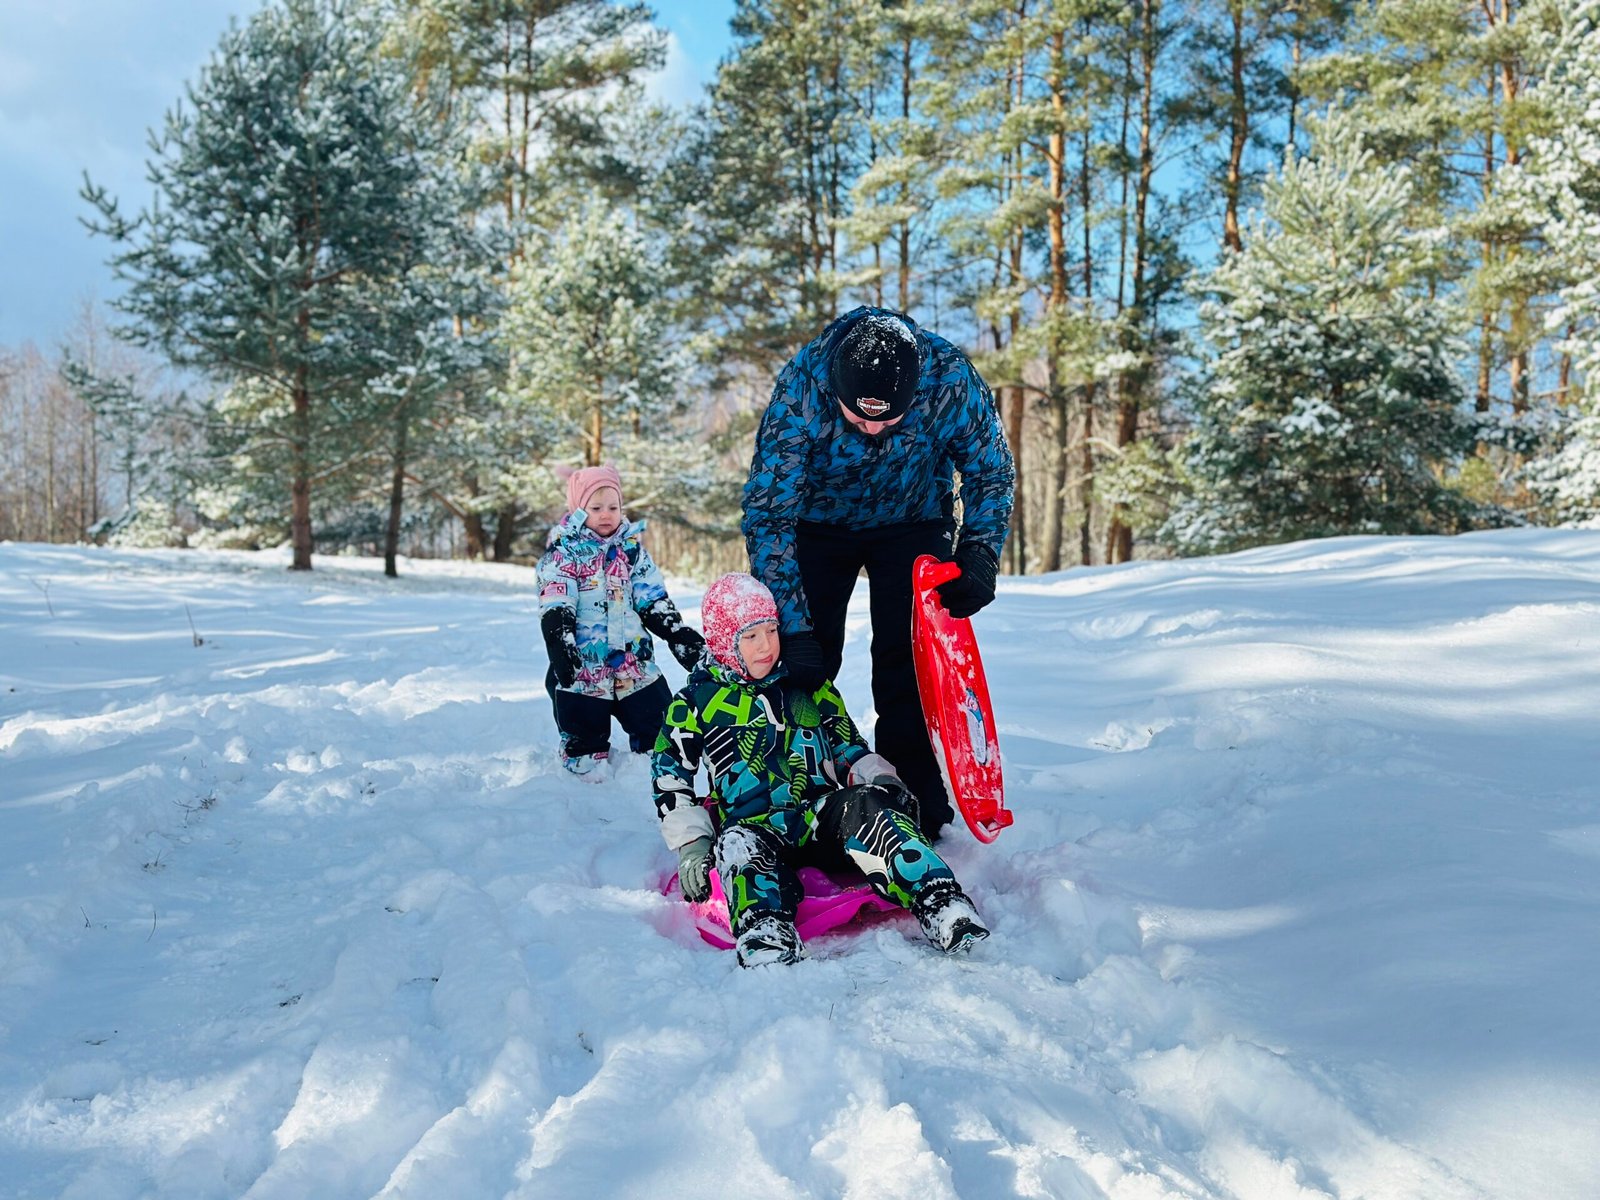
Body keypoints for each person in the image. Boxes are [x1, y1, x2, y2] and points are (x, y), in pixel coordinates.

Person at [742, 306, 1015, 838]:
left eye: (887, 418)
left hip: (913, 521)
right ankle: (794, 786)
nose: (872, 428)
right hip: (815, 524)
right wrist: (793, 627)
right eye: (859, 416)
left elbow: (990, 466)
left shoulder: (949, 378)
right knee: (804, 659)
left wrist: (980, 550)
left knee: (907, 662)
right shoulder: (802, 387)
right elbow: (769, 511)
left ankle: (912, 795)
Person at [651, 572, 989, 967]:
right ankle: (765, 929)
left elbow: (849, 746)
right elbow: (669, 772)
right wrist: (691, 841)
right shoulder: (696, 702)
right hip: (756, 825)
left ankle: (941, 902)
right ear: (725, 643)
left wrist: (880, 780)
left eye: (772, 630)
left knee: (868, 806)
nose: (766, 646)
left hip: (819, 815)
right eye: (751, 637)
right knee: (737, 844)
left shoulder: (806, 687)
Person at [538, 463, 705, 776]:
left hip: (633, 661)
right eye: (596, 507)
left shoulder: (632, 552)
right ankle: (586, 774)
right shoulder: (564, 553)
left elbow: (652, 598)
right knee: (583, 732)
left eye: (613, 507)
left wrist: (676, 632)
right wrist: (559, 638)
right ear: (577, 509)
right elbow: (557, 597)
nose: (606, 514)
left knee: (658, 725)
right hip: (584, 665)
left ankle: (656, 772)